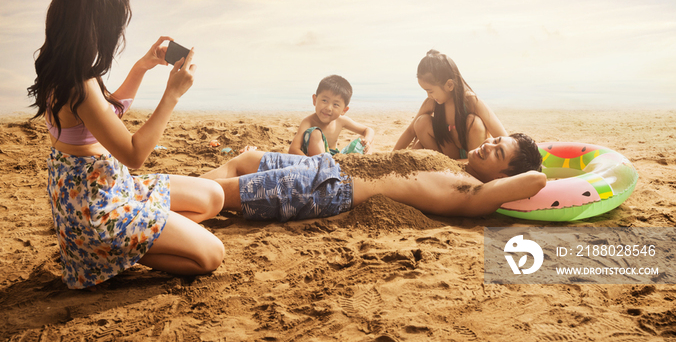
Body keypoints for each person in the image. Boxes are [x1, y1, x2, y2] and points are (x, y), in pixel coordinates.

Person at [27, 0, 224, 289]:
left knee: (212, 196)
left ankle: (141, 237)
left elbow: (106, 113)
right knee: (211, 255)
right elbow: (134, 154)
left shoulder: (61, 66)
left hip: (104, 185)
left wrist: (141, 67)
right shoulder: (79, 83)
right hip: (97, 209)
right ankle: (116, 252)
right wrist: (172, 94)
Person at [202, 133, 545, 222]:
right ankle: (161, 192)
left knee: (219, 194)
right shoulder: (455, 164)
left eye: (497, 152)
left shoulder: (472, 193)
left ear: (503, 175)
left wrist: (538, 162)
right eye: (494, 140)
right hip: (326, 165)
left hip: (329, 189)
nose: (488, 145)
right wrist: (506, 146)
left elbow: (536, 181)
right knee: (245, 159)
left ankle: (153, 199)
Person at [394, 50, 507, 160]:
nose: (428, 96)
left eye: (431, 91)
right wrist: (391, 157)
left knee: (474, 121)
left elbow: (503, 136)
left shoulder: (470, 101)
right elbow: (410, 131)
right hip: (450, 155)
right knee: (420, 123)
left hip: (473, 155)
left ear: (449, 85)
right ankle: (446, 165)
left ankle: (469, 166)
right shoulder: (432, 102)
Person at [288, 75, 375, 156]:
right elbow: (293, 149)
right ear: (315, 100)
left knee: (363, 143)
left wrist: (367, 140)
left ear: (344, 110)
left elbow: (368, 130)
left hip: (335, 158)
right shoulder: (308, 122)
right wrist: (310, 162)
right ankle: (323, 165)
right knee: (315, 133)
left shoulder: (341, 121)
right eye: (324, 100)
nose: (329, 108)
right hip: (316, 160)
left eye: (336, 104)